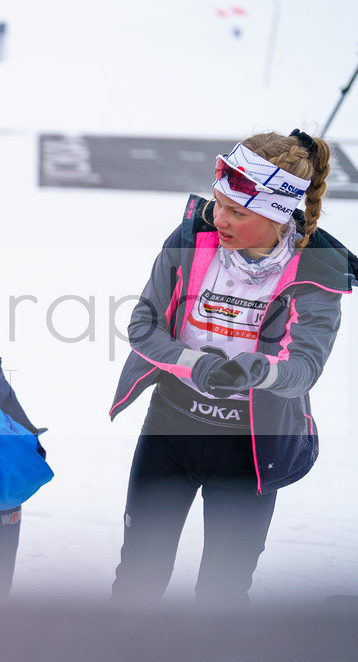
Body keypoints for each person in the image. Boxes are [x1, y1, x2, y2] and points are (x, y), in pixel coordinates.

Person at [109, 130, 358, 606]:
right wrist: (195, 363)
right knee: (138, 575)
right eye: (219, 202)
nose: (218, 217)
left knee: (222, 594)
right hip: (171, 429)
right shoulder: (191, 237)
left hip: (250, 448)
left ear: (277, 212)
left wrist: (256, 371)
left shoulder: (316, 272)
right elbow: (143, 327)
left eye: (237, 212)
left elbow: (302, 368)